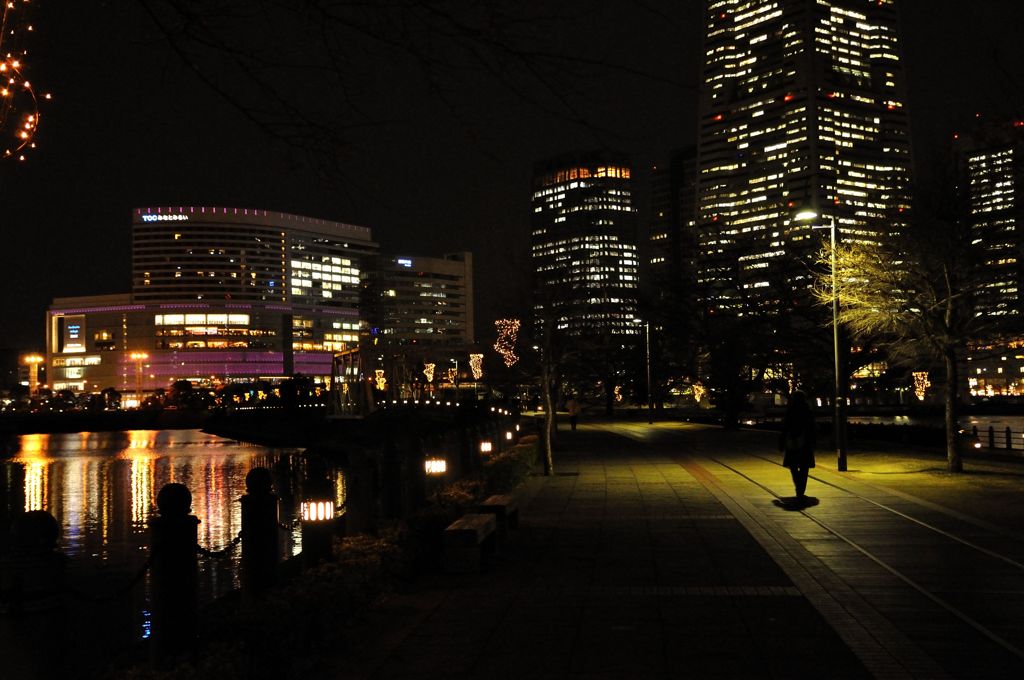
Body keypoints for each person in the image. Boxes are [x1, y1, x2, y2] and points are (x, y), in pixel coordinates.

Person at [779, 390, 816, 503]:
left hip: (792, 441)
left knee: (793, 466)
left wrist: (781, 442)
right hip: (805, 443)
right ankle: (801, 491)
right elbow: (812, 427)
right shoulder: (808, 410)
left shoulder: (790, 411)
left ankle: (798, 487)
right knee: (804, 468)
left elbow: (785, 427)